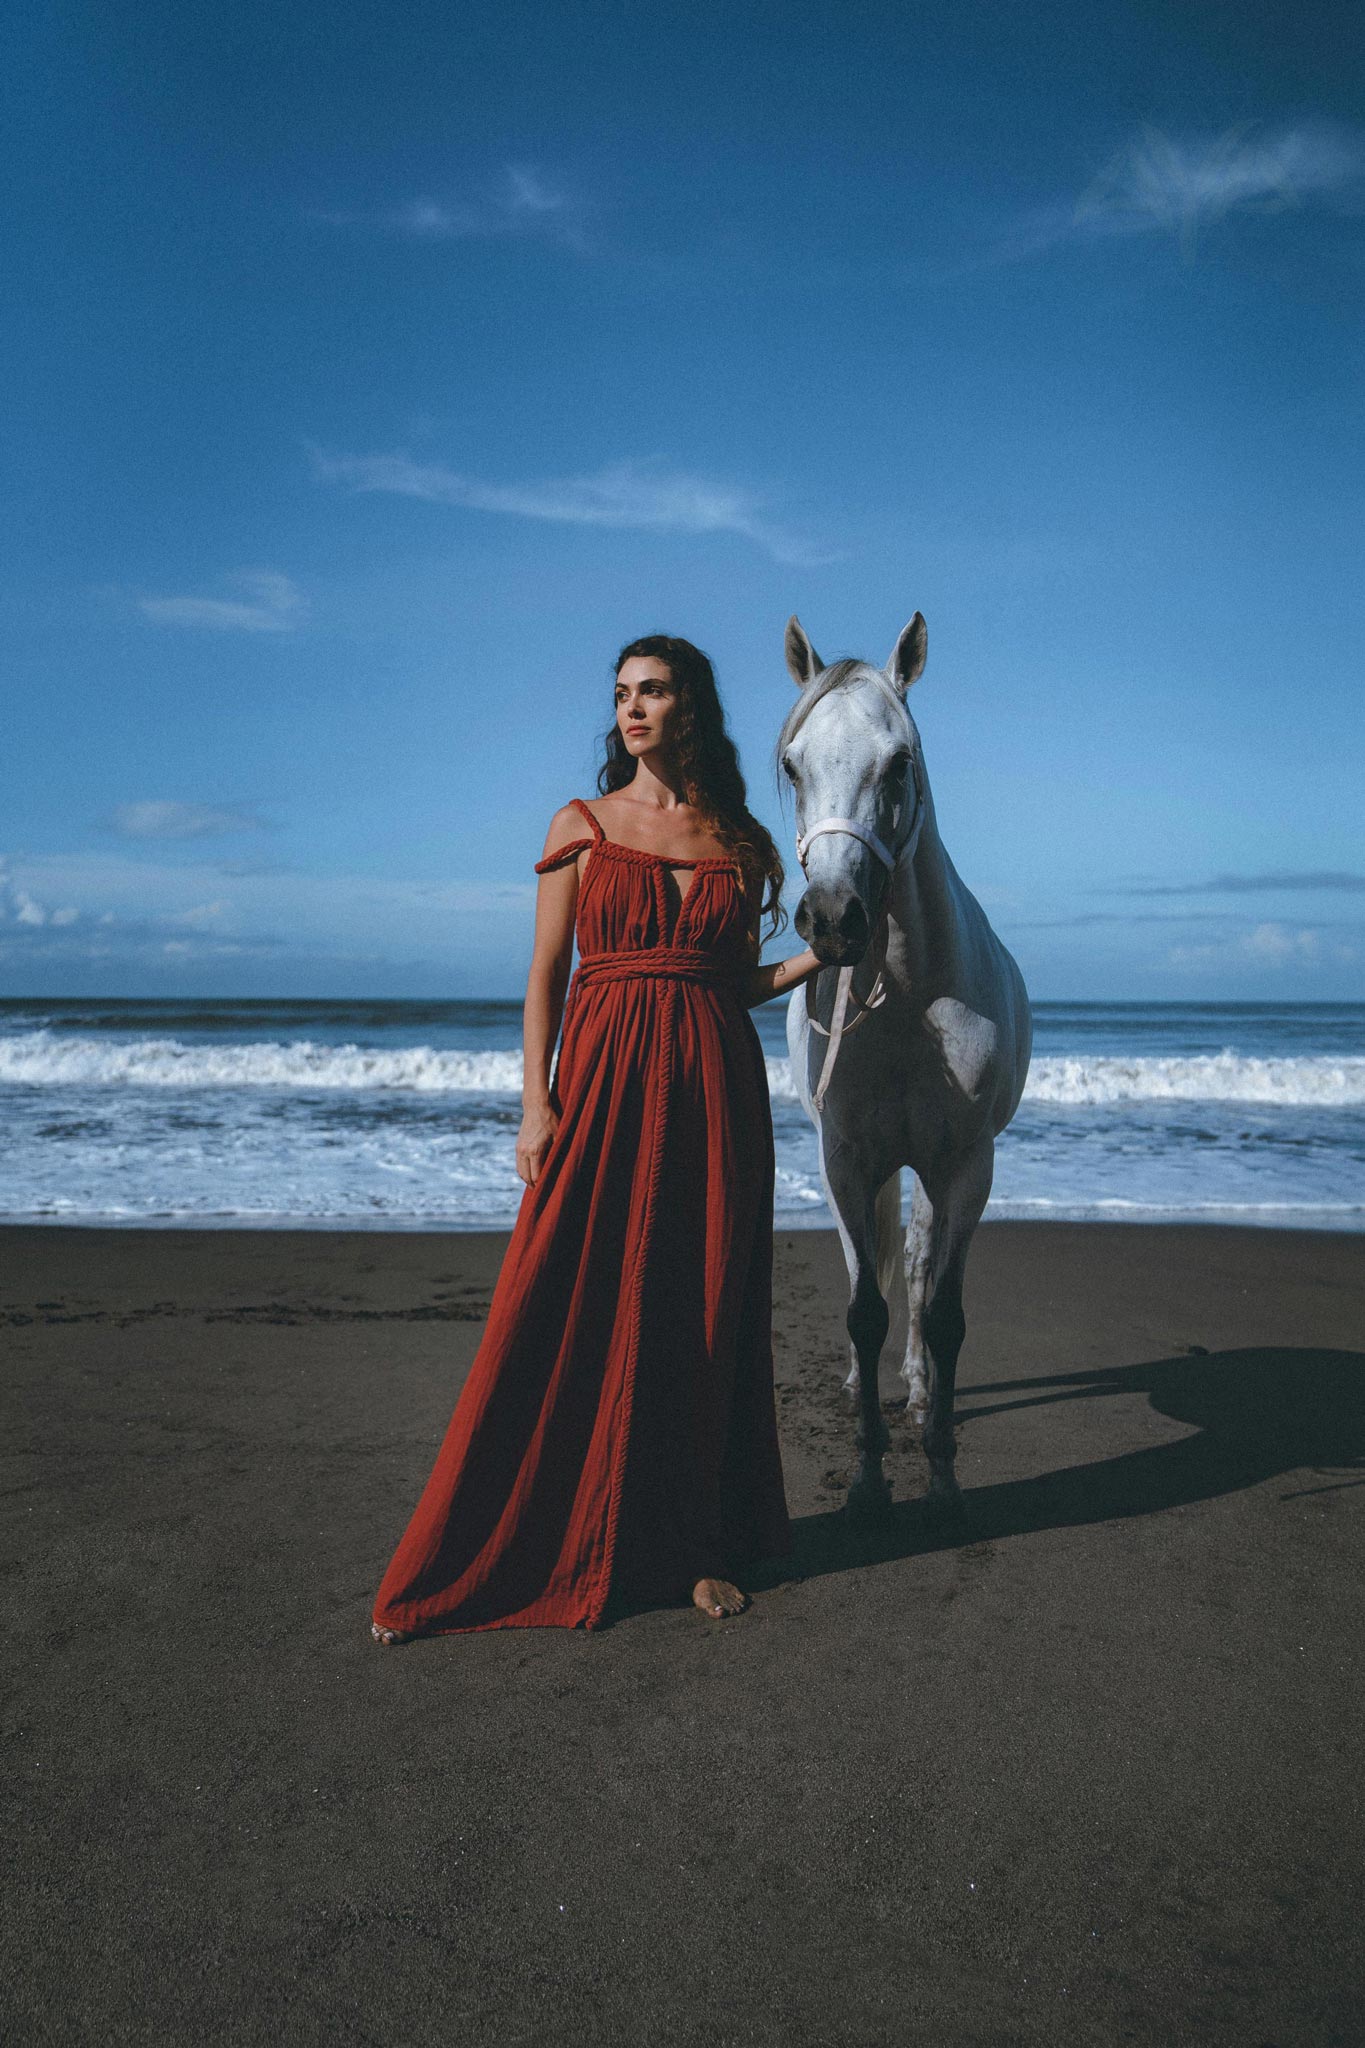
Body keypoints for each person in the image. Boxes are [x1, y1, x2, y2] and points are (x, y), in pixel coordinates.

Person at [370, 634, 822, 1641]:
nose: (632, 708)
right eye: (621, 694)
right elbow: (542, 976)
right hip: (605, 1085)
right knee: (555, 1298)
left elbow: (734, 983)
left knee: (701, 1314)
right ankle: (489, 1549)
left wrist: (810, 964)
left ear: (690, 706)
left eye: (653, 692)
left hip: (715, 1093)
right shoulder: (580, 824)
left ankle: (695, 1548)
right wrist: (535, 1102)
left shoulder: (741, 841)